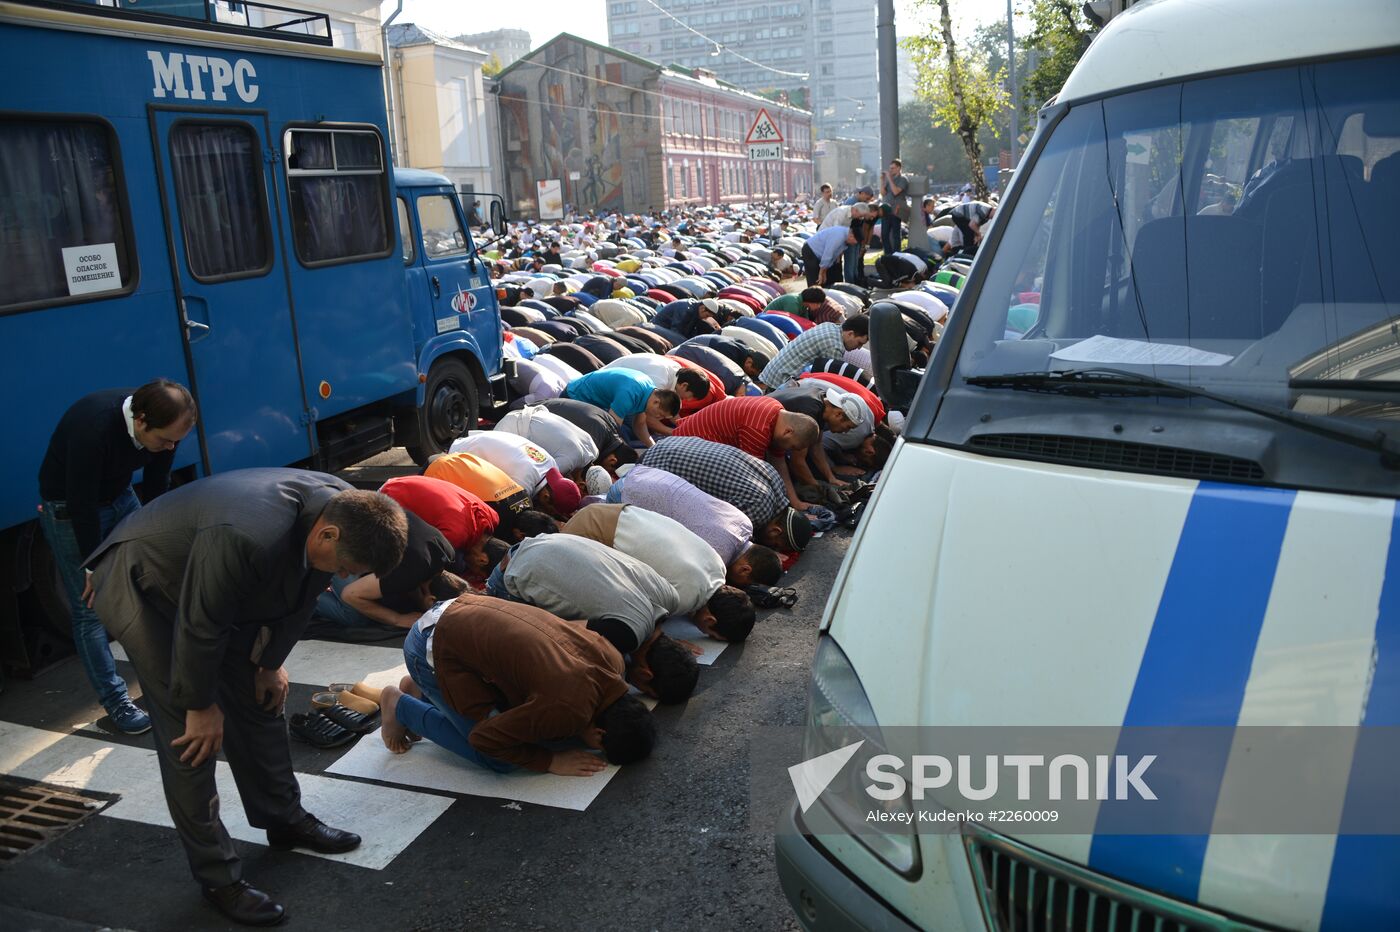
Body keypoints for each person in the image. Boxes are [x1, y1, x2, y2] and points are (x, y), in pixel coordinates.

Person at [86, 469, 408, 925]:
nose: (342, 578)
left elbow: (304, 595)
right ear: (327, 532)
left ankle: (282, 817)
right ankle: (219, 878)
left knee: (261, 699)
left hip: (210, 581)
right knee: (189, 737)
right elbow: (202, 624)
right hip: (143, 579)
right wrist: (199, 706)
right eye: (342, 567)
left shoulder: (344, 508)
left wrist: (269, 663)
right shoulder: (247, 535)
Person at [37, 379, 197, 734]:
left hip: (120, 495)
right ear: (140, 421)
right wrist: (93, 565)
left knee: (153, 583)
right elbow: (81, 504)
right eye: (165, 440)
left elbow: (158, 484)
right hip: (69, 510)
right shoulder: (92, 427)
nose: (170, 447)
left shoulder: (166, 424)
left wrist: (159, 538)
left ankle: (173, 682)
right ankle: (116, 703)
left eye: (176, 441)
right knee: (90, 608)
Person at [379, 595, 657, 774]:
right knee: (499, 758)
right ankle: (401, 706)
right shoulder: (567, 708)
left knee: (540, 730)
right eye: (600, 748)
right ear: (598, 735)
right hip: (428, 648)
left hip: (458, 608)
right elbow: (484, 738)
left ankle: (424, 692)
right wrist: (549, 762)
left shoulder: (614, 663)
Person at [488, 534, 699, 703]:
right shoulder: (626, 635)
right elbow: (553, 632)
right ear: (646, 675)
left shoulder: (670, 598)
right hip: (509, 578)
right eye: (646, 692)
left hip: (540, 541)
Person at [561, 503, 756, 642]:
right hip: (585, 535)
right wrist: (665, 641)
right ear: (709, 620)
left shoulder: (718, 567)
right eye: (709, 635)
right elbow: (639, 616)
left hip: (609, 510)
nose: (704, 634)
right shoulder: (683, 599)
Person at [608, 465, 783, 584]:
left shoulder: (745, 523)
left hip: (644, 473)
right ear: (745, 570)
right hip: (625, 495)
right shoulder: (716, 558)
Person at [638, 436, 812, 553]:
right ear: (775, 531)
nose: (771, 546)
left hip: (669, 443)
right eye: (775, 545)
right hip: (657, 464)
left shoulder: (776, 482)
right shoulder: (760, 511)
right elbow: (721, 535)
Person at [448, 431, 582, 519]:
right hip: (456, 455)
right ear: (546, 497)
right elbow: (514, 517)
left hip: (475, 438)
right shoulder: (523, 481)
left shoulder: (552, 465)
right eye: (551, 511)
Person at [768, 381, 862, 500]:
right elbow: (797, 462)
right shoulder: (810, 411)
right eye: (848, 427)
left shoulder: (821, 400)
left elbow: (817, 446)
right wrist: (823, 490)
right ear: (838, 414)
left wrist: (831, 478)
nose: (845, 432)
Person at [671, 395, 818, 461]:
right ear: (788, 432)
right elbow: (752, 472)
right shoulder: (758, 429)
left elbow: (778, 460)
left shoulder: (775, 408)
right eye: (792, 446)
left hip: (688, 435)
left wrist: (794, 501)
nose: (789, 450)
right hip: (683, 446)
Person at [561, 368, 680, 448]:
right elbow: (611, 429)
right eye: (660, 415)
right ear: (656, 402)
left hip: (595, 401)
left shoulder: (649, 393)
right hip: (575, 395)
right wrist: (627, 451)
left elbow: (639, 424)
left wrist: (653, 448)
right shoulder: (630, 392)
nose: (658, 418)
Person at [423, 451, 534, 530]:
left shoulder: (526, 498)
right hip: (438, 471)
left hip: (461, 458)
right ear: (519, 536)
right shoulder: (497, 519)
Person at [758, 317, 870, 390]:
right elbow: (833, 381)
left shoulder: (829, 326)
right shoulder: (834, 346)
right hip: (780, 381)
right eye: (859, 343)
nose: (859, 348)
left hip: (772, 372)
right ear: (850, 334)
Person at [493, 405, 599, 478]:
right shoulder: (569, 461)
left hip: (526, 413)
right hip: (510, 428)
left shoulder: (593, 448)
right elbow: (541, 477)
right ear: (581, 484)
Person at [538, 397, 637, 473]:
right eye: (609, 472)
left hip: (542, 405)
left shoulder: (613, 427)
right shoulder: (592, 445)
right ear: (612, 461)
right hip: (528, 415)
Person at [880, 158, 910, 257]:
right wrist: (883, 181)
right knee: (884, 234)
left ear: (899, 168)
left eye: (893, 168)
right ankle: (888, 255)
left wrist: (889, 178)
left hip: (896, 210)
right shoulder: (889, 179)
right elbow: (883, 193)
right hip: (886, 210)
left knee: (896, 234)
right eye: (890, 169)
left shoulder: (903, 179)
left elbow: (896, 191)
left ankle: (897, 255)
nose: (891, 170)